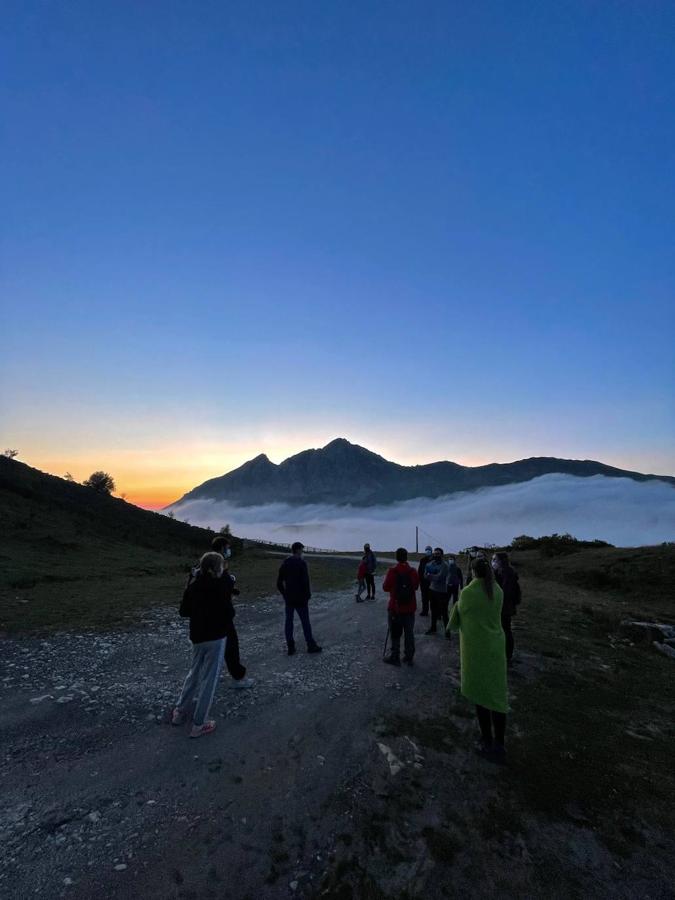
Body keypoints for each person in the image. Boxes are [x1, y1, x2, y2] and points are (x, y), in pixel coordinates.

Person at [447, 556, 508, 763]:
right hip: (496, 646)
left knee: (481, 695)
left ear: (472, 572)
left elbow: (457, 613)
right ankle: (500, 743)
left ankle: (486, 739)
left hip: (477, 649)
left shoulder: (469, 593)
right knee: (497, 695)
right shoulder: (497, 591)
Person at [172, 552, 234, 738]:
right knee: (209, 680)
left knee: (194, 672)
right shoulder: (223, 585)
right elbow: (230, 613)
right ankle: (199, 723)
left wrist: (190, 582)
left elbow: (184, 612)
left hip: (197, 637)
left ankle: (180, 711)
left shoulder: (195, 585)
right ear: (218, 568)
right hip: (216, 637)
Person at [211, 537, 254, 689]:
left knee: (212, 647)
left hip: (210, 613)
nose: (229, 550)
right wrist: (231, 583)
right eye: (227, 547)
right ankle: (238, 677)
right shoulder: (220, 563)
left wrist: (231, 588)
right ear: (223, 548)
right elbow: (221, 584)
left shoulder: (206, 561)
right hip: (222, 613)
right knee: (231, 646)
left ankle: (206, 679)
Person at [276, 542, 323, 655]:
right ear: (297, 550)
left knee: (289, 622)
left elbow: (279, 582)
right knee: (305, 622)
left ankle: (290, 647)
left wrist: (284, 594)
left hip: (289, 598)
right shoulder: (302, 563)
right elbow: (305, 582)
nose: (302, 551)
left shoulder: (285, 563)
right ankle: (310, 645)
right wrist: (307, 596)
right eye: (302, 549)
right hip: (301, 598)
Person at [382, 547, 420, 666]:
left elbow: (385, 587)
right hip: (409, 608)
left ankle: (395, 656)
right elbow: (415, 586)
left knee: (395, 633)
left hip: (395, 608)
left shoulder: (392, 571)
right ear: (406, 557)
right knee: (409, 633)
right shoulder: (413, 571)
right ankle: (409, 657)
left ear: (396, 557)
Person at [492, 551, 521, 664]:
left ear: (501, 561)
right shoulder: (502, 571)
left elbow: (505, 591)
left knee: (505, 630)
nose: (493, 562)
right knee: (503, 629)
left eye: (495, 560)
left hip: (505, 606)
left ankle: (507, 656)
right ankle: (504, 654)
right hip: (504, 605)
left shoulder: (507, 573)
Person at [424, 548, 450, 636]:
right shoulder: (431, 564)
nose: (436, 555)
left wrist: (430, 575)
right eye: (434, 553)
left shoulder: (445, 565)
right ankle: (433, 628)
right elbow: (425, 575)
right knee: (433, 610)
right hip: (432, 590)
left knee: (444, 612)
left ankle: (447, 631)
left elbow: (439, 578)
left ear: (442, 555)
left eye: (438, 554)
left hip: (442, 592)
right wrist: (432, 575)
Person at [417, 545, 433, 617]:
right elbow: (420, 571)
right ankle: (425, 611)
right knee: (424, 598)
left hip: (432, 583)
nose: (428, 551)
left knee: (433, 599)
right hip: (423, 583)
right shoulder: (422, 560)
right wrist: (419, 580)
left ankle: (435, 613)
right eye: (426, 550)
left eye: (429, 550)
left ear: (431, 551)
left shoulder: (434, 560)